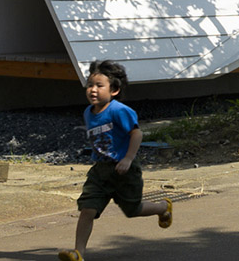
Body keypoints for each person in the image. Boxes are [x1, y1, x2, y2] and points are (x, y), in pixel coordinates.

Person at [59, 60, 172, 261]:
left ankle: (163, 207)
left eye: (99, 86)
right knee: (87, 209)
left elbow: (136, 134)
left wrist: (128, 159)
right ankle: (79, 253)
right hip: (100, 172)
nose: (92, 90)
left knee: (133, 209)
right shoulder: (88, 112)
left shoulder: (119, 111)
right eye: (90, 85)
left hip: (125, 171)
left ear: (114, 90)